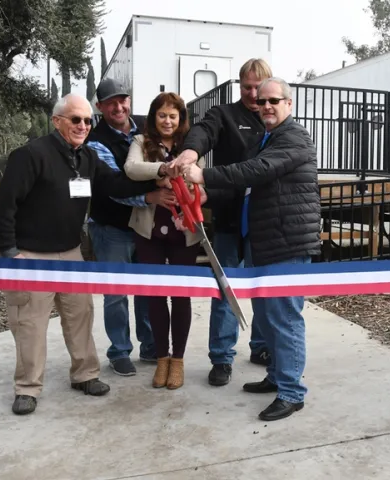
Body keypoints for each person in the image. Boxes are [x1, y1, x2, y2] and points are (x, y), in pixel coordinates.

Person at [0, 94, 158, 415]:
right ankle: (27, 387)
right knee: (30, 324)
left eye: (87, 120)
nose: (83, 125)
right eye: (75, 119)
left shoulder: (86, 158)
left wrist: (158, 179)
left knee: (80, 316)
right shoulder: (30, 155)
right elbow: (3, 205)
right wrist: (11, 251)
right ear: (57, 121)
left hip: (71, 254)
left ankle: (85, 375)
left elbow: (116, 185)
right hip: (30, 257)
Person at [183, 78, 321, 421]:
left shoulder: (294, 137)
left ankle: (291, 392)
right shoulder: (270, 137)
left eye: (274, 100)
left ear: (289, 103)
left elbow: (258, 170)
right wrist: (206, 194)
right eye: (262, 101)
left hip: (285, 243)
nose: (267, 106)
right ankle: (277, 377)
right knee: (270, 317)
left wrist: (204, 177)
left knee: (284, 318)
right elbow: (250, 185)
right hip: (267, 242)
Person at [169, 58, 273, 388]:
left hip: (264, 220)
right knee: (225, 290)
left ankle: (261, 348)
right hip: (228, 217)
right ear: (239, 85)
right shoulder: (224, 115)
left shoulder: (278, 122)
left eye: (259, 87)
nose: (253, 94)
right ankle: (222, 358)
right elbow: (203, 131)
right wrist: (190, 154)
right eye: (246, 87)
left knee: (263, 290)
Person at [124, 92, 204, 389]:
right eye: (162, 115)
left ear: (181, 119)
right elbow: (131, 169)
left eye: (173, 116)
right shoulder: (139, 142)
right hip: (149, 231)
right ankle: (161, 358)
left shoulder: (191, 147)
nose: (167, 121)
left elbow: (199, 175)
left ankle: (179, 360)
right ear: (153, 118)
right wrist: (162, 172)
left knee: (181, 296)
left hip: (185, 230)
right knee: (155, 295)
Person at [87, 78, 156, 377]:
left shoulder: (146, 128)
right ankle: (119, 351)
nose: (119, 106)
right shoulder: (94, 140)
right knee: (115, 293)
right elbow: (111, 184)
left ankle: (151, 346)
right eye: (111, 102)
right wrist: (152, 193)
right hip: (111, 227)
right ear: (100, 107)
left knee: (147, 290)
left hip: (143, 226)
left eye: (123, 100)